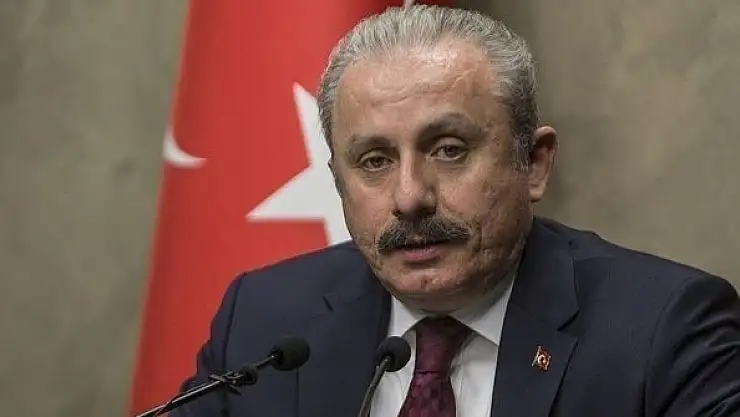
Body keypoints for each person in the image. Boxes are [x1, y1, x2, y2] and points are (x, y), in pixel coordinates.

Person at [171, 5, 740, 417]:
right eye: (374, 161)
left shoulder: (665, 331)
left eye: (448, 150)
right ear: (339, 181)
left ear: (533, 163)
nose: (409, 197)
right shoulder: (265, 321)